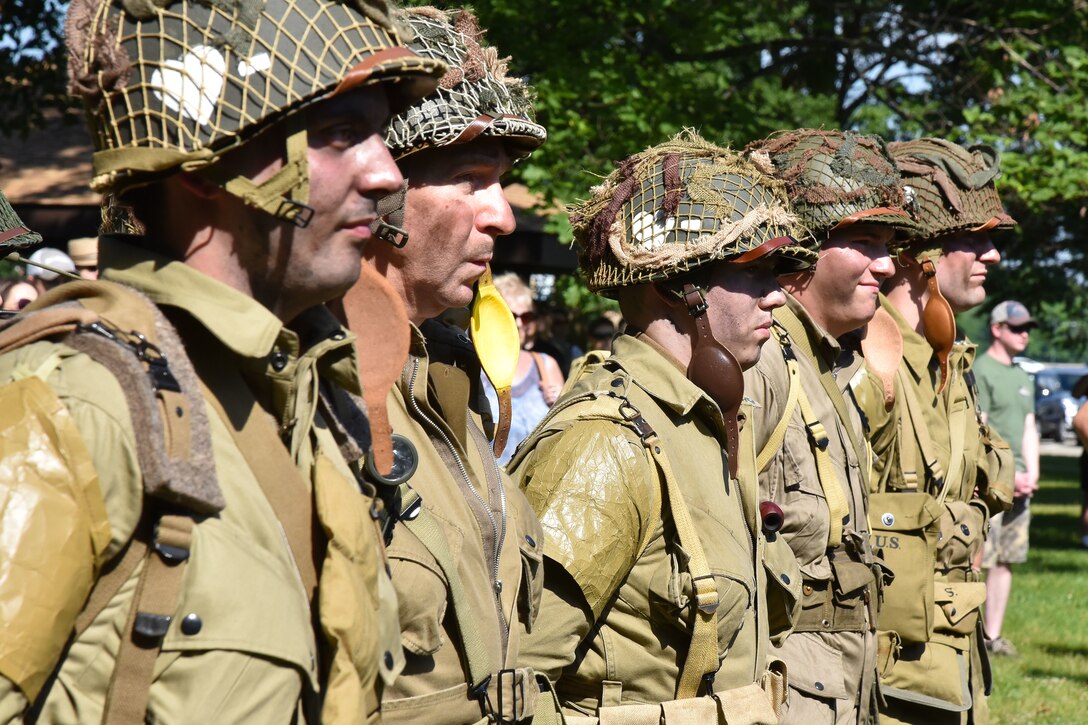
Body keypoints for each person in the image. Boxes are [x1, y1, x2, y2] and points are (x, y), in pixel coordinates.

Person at [0, 0, 445, 722]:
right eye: (339, 134)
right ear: (205, 169)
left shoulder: (311, 408)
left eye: (381, 136)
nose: (388, 174)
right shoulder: (78, 406)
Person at [510, 130, 813, 722]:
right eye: (753, 273)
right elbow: (519, 675)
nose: (776, 297)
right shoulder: (605, 445)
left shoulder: (711, 423)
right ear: (679, 287)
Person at [352, 7, 554, 723]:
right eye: (470, 177)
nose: (501, 214)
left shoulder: (452, 387)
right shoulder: (319, 390)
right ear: (377, 193)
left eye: (499, 182)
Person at [742, 129, 917, 724]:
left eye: (888, 245)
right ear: (800, 250)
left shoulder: (825, 362)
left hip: (836, 682)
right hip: (786, 686)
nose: (888, 265)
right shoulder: (761, 361)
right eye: (864, 242)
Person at [854, 137, 1017, 724]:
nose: (991, 254)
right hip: (878, 675)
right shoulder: (867, 364)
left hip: (944, 662)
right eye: (970, 238)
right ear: (916, 253)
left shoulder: (948, 360)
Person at [976, 300, 1040, 658]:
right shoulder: (981, 369)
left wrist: (1032, 473)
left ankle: (993, 635)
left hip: (1021, 484)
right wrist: (1004, 476)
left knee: (1006, 560)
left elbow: (1029, 427)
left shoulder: (1022, 375)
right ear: (997, 329)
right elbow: (980, 426)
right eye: (1017, 327)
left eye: (1027, 327)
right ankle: (972, 633)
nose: (1024, 333)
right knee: (979, 557)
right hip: (992, 484)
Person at [485, 271, 564, 465]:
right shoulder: (476, 363)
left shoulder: (546, 365)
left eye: (527, 317)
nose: (520, 324)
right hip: (487, 484)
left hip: (532, 482)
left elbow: (564, 431)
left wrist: (560, 403)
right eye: (511, 315)